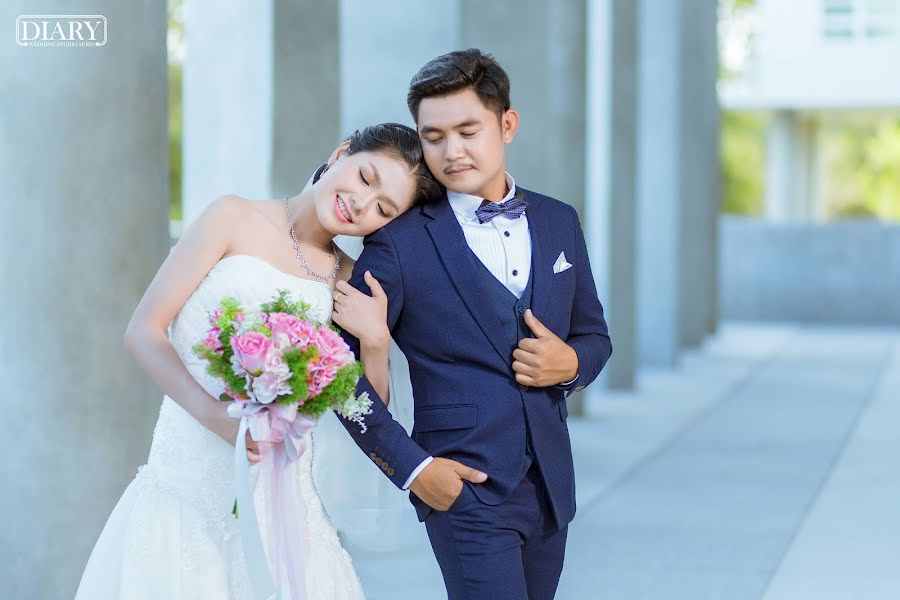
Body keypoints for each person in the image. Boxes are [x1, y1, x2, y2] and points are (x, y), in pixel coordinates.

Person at [74, 122, 441, 599]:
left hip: (286, 503)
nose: (361, 204)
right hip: (186, 484)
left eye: (382, 210)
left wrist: (374, 340)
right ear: (342, 152)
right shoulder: (232, 217)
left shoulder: (352, 280)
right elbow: (143, 332)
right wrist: (220, 421)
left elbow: (364, 415)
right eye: (365, 178)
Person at [332, 50, 612, 599]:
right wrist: (413, 470)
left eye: (467, 130)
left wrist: (573, 364)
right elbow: (336, 375)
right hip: (464, 490)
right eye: (433, 136)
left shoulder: (559, 221)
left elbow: (595, 335)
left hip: (551, 486)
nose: (451, 151)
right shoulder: (397, 241)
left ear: (506, 125)